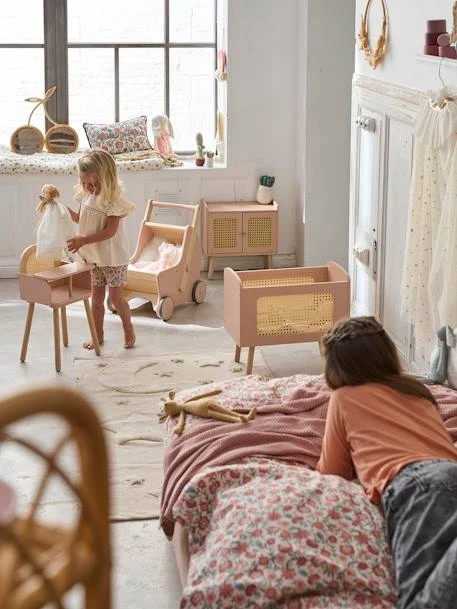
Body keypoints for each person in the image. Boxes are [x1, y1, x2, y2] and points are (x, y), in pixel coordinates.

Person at [316, 316, 457, 609]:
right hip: (447, 470)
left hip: (416, 484)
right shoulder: (419, 393)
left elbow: (332, 471)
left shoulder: (343, 398)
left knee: (420, 601)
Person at [66, 149, 136, 350]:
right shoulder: (85, 196)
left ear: (107, 179)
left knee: (115, 299)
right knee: (96, 300)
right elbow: (79, 219)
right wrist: (62, 211)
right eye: (84, 183)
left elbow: (110, 232)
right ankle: (98, 334)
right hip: (94, 258)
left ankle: (128, 328)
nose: (89, 188)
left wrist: (84, 240)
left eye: (94, 184)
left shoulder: (113, 202)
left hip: (113, 259)